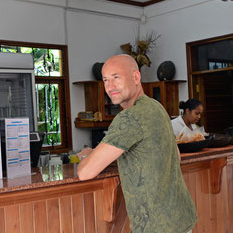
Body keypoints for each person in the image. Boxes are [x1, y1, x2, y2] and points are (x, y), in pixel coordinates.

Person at [77, 55, 197, 233]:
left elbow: (85, 172)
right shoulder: (156, 106)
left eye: (116, 77)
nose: (110, 87)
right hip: (181, 218)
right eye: (106, 80)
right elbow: (175, 156)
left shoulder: (130, 116)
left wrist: (87, 156)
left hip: (157, 227)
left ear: (136, 77)